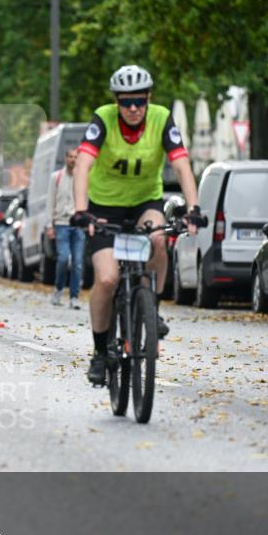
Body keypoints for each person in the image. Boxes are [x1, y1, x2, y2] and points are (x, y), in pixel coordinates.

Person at [70, 65, 202, 386]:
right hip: (104, 207)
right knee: (107, 279)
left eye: (139, 101)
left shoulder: (161, 118)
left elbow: (181, 165)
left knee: (158, 239)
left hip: (145, 202)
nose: (133, 108)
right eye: (125, 102)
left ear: (148, 98)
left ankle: (150, 308)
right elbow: (83, 164)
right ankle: (100, 353)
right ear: (116, 101)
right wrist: (81, 210)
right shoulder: (103, 119)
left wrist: (194, 209)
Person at [47, 148, 84, 309]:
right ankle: (58, 289)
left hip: (78, 226)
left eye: (75, 157)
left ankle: (74, 296)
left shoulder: (82, 178)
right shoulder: (56, 177)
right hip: (61, 224)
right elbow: (50, 202)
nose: (73, 160)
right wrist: (49, 225)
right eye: (70, 156)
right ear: (65, 158)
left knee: (77, 263)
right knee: (63, 258)